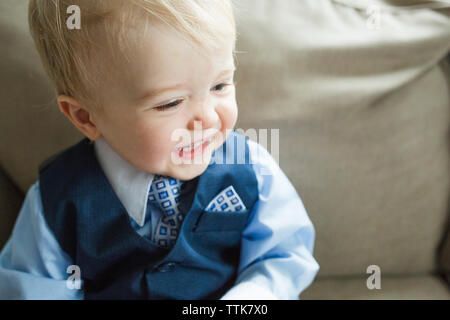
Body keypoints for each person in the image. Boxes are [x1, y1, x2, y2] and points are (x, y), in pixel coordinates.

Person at [0, 0, 319, 299]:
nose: (207, 119)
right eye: (170, 103)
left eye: (220, 86)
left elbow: (283, 256)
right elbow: (34, 288)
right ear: (85, 117)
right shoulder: (56, 200)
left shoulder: (251, 169)